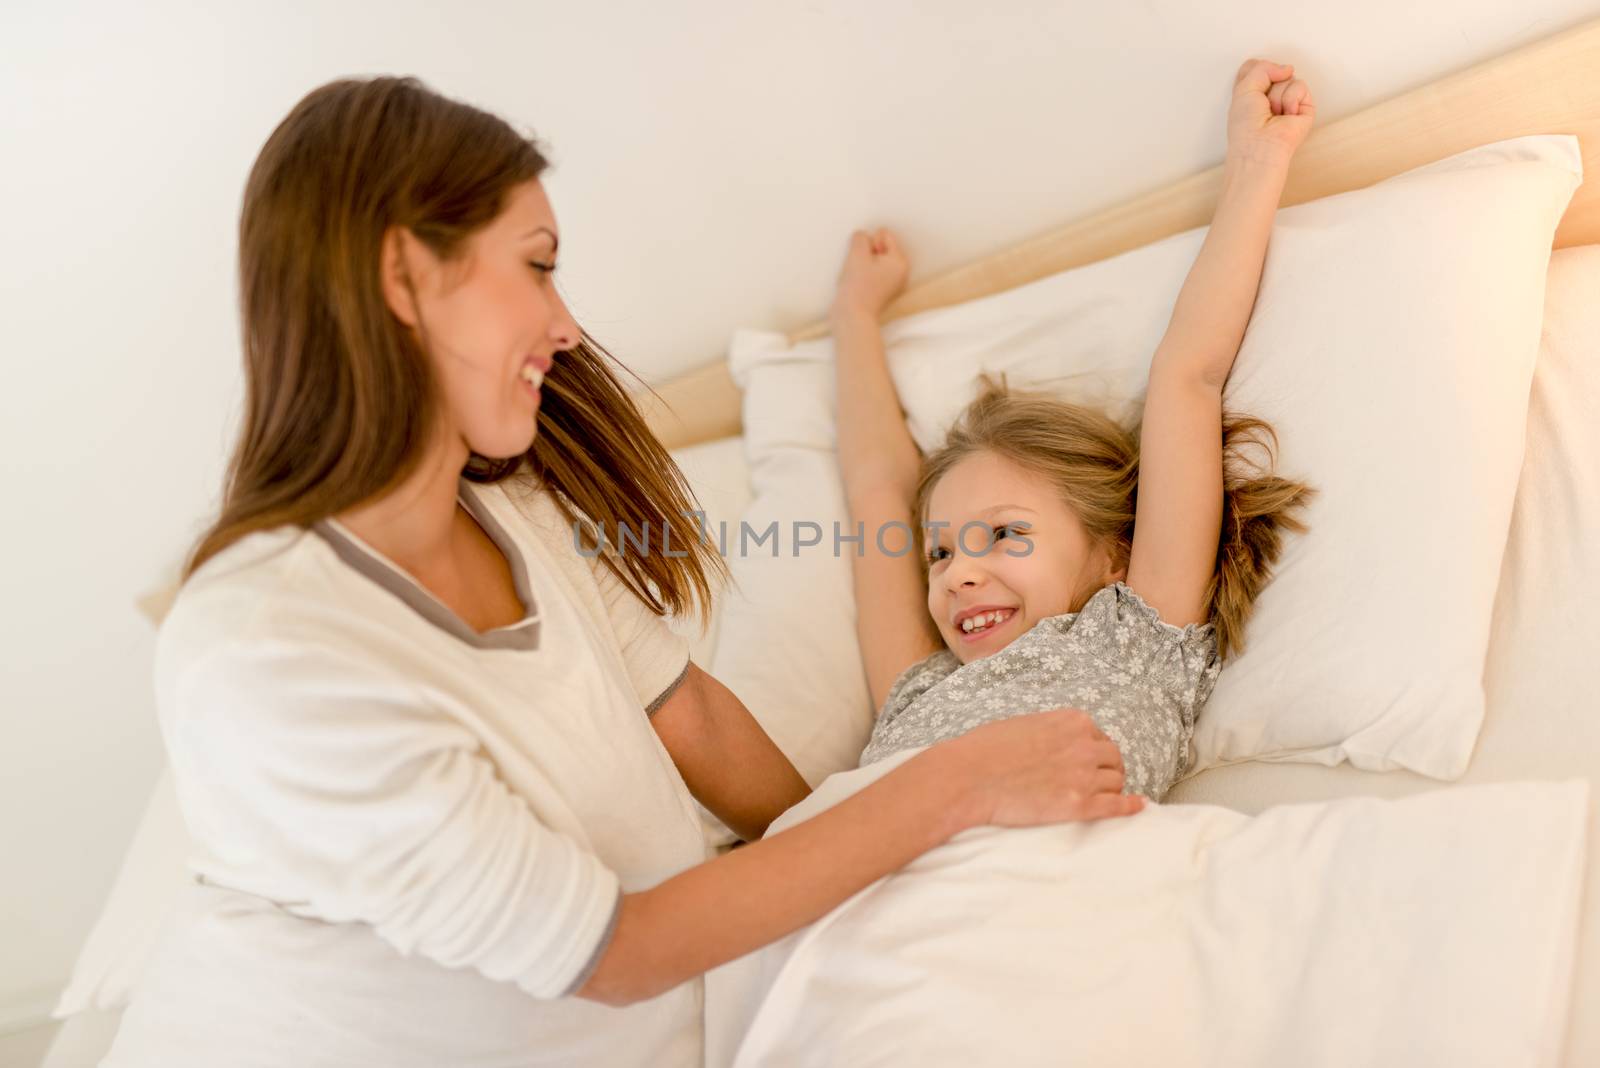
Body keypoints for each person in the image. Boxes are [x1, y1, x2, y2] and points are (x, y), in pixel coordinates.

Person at [102, 76, 1147, 1068]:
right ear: (403, 276)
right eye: (538, 265)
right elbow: (615, 953)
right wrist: (947, 788)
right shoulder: (270, 650)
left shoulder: (512, 511)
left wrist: (864, 854)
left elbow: (683, 713)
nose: (563, 326)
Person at [831, 58, 1317, 801]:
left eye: (1002, 534)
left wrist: (1257, 160)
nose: (956, 573)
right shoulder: (917, 689)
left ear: (1115, 554)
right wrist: (855, 317)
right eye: (938, 552)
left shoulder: (1134, 637)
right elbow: (875, 491)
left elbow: (1188, 376)